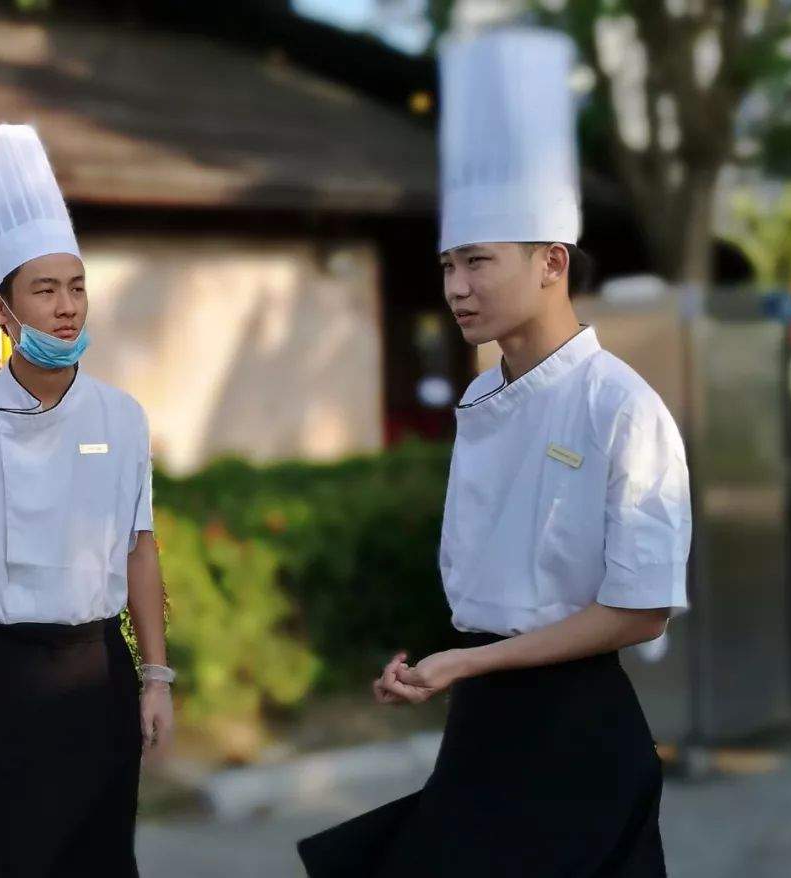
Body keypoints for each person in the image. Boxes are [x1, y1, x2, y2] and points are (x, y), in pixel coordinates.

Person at [298, 29, 691, 878]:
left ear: (553, 261)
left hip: (575, 733)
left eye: (477, 261)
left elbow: (642, 609)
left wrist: (471, 661)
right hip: (485, 718)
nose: (454, 288)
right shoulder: (482, 395)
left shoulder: (621, 406)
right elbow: (493, 579)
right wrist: (441, 664)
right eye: (446, 264)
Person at [0, 124, 173, 877]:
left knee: (94, 861)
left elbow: (140, 550)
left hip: (98, 675)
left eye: (77, 286)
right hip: (1, 678)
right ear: (2, 309)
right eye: (45, 290)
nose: (67, 307)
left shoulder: (122, 417)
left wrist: (156, 678)